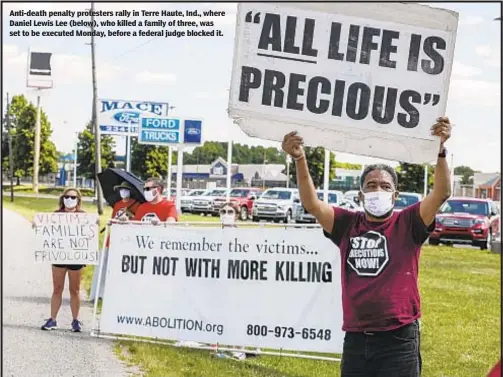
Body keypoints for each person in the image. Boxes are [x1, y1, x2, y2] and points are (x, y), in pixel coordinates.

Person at [281, 117, 453, 377]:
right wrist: (299, 158)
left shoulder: (408, 223)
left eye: (385, 186)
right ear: (360, 195)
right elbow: (312, 204)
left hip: (399, 339)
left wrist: (440, 150)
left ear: (395, 195)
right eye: (371, 186)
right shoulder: (346, 224)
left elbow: (441, 192)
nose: (378, 190)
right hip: (357, 339)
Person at [38, 188, 89, 332]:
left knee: (75, 290)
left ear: (78, 200)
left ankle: (75, 320)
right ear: (62, 198)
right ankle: (52, 319)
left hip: (75, 257)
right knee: (57, 288)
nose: (70, 200)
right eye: (67, 197)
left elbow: (88, 236)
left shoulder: (83, 217)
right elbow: (46, 232)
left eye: (73, 197)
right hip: (59, 256)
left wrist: (95, 223)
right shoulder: (56, 215)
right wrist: (39, 226)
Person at [90, 181, 140, 301]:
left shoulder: (136, 204)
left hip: (126, 240)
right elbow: (113, 218)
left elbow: (137, 220)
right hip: (112, 238)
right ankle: (99, 293)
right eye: (121, 190)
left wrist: (129, 216)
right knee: (104, 265)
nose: (123, 192)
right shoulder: (117, 204)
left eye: (125, 189)